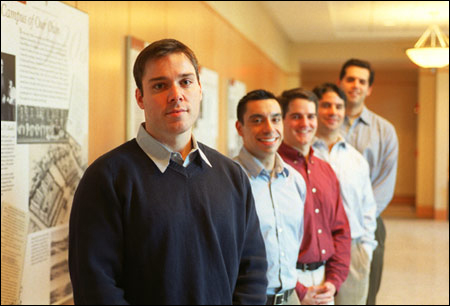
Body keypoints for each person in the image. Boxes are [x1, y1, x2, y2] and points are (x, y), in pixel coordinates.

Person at [69, 38, 268, 305]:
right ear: (140, 97)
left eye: (185, 81)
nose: (176, 95)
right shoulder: (107, 178)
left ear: (199, 89)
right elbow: (97, 286)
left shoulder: (232, 176)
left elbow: (252, 271)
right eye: (160, 85)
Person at [278, 88, 351, 305]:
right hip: (287, 284)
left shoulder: (325, 170)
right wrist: (299, 289)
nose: (305, 123)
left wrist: (333, 281)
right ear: (281, 121)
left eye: (310, 116)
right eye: (296, 117)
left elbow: (340, 230)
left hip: (324, 281)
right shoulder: (275, 170)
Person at [233, 89, 307, 305]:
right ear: (240, 127)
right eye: (257, 120)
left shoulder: (294, 180)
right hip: (248, 300)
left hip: (290, 297)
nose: (269, 129)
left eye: (275, 119)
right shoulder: (229, 181)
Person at [338, 59, 399, 305]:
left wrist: (361, 220)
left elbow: (385, 183)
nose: (355, 85)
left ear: (369, 88)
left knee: (366, 293)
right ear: (340, 82)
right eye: (350, 79)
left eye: (362, 81)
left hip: (368, 225)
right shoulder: (322, 123)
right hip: (325, 224)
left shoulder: (384, 130)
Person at [312, 83, 377, 305]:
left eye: (339, 106)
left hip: (353, 250)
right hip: (314, 253)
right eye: (326, 105)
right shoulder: (302, 156)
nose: (333, 112)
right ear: (315, 109)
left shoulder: (356, 159)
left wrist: (366, 250)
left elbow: (368, 208)